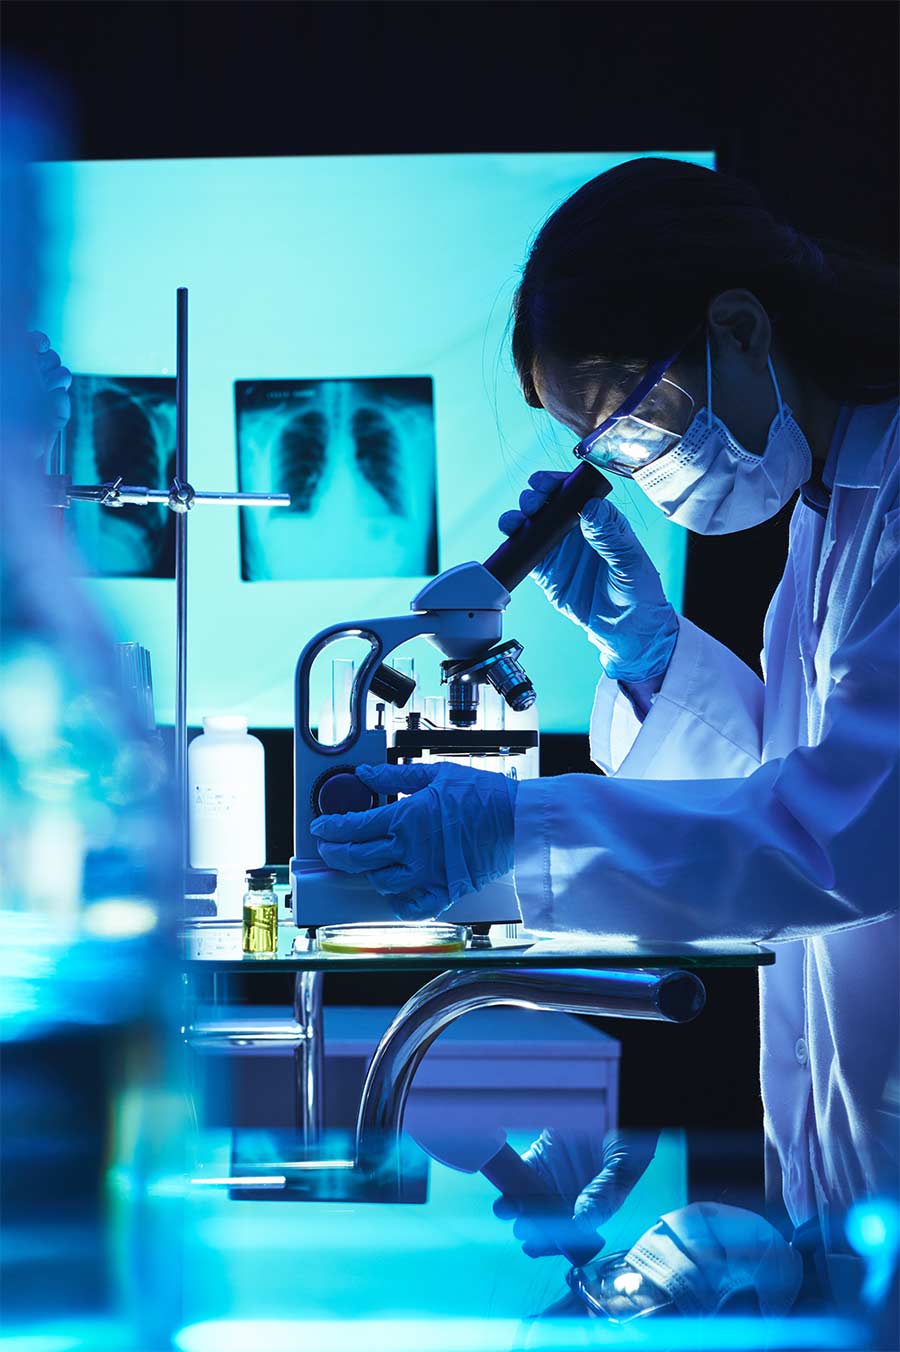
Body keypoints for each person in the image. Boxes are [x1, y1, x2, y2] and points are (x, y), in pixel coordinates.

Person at [312, 159, 899, 1280]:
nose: (643, 469)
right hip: (847, 1191)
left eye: (637, 422)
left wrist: (519, 833)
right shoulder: (833, 507)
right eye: (611, 454)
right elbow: (783, 775)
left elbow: (848, 837)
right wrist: (650, 656)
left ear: (738, 325)